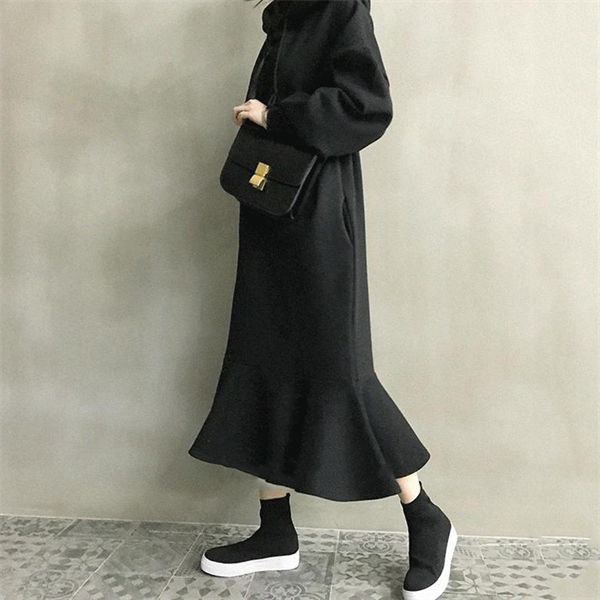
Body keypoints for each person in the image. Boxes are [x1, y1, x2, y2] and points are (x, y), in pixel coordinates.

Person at [188, 1, 457, 598]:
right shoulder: (286, 14)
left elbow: (367, 104)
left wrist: (274, 114)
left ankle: (426, 517)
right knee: (262, 358)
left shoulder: (339, 6)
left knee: (340, 371)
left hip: (317, 213)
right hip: (271, 207)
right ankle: (275, 529)